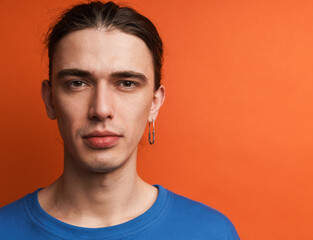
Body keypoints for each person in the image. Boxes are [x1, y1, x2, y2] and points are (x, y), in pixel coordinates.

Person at [0, 1, 240, 239]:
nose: (101, 109)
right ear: (50, 100)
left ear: (154, 103)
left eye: (126, 83)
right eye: (77, 83)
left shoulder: (210, 232)